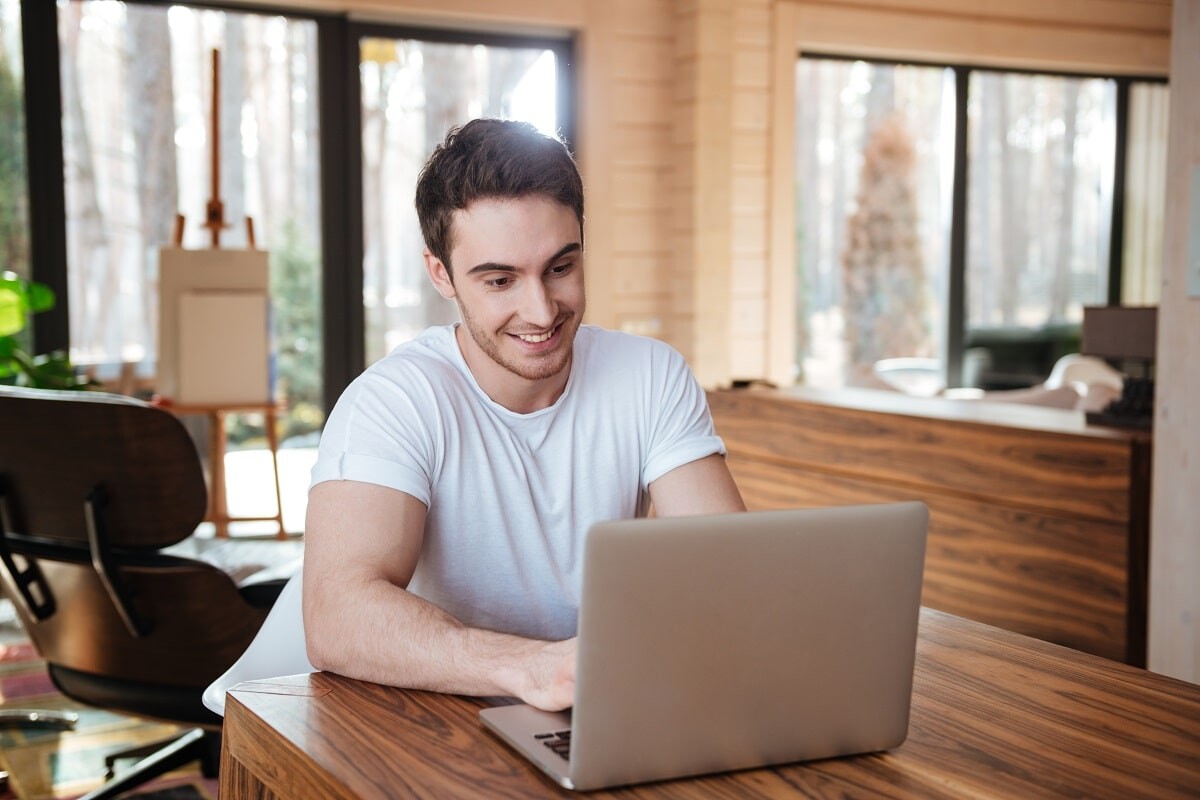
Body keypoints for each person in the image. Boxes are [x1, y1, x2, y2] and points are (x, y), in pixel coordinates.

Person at [302, 118, 745, 713]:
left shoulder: (650, 376)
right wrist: (530, 668)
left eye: (560, 268)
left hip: (600, 703)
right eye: (501, 280)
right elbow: (336, 616)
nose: (541, 311)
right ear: (442, 274)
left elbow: (729, 572)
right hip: (440, 715)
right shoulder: (394, 401)